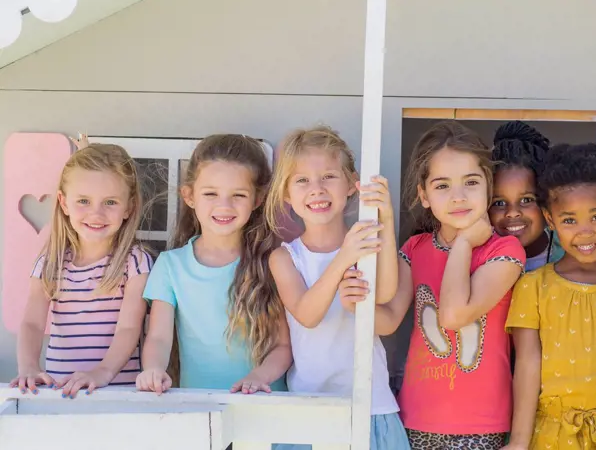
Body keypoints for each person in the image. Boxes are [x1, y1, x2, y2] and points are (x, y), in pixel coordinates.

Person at [340, 121, 525, 449]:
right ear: (424, 195)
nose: (458, 196)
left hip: (481, 424)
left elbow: (454, 315)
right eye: (442, 186)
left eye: (471, 182)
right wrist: (357, 303)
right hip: (416, 418)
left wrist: (465, 243)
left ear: (488, 186)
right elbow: (388, 320)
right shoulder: (415, 249)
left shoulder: (505, 251)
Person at [267, 125, 409, 450]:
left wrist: (384, 216)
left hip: (370, 405)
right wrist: (344, 258)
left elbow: (386, 293)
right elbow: (307, 314)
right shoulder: (285, 257)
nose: (316, 189)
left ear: (351, 185)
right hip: (310, 407)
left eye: (329, 176)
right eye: (302, 180)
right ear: (287, 194)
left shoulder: (367, 241)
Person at [504, 143, 596, 450]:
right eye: (569, 220)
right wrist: (518, 442)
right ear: (550, 219)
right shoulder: (532, 287)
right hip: (549, 437)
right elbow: (527, 366)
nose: (585, 232)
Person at [136, 134, 291, 395]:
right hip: (199, 408)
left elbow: (282, 347)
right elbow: (159, 337)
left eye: (238, 195)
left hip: (263, 408)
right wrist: (153, 369)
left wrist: (258, 376)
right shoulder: (170, 266)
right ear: (189, 196)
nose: (224, 205)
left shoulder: (272, 262)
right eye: (211, 193)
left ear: (257, 199)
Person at [11, 139, 152, 398]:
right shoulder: (49, 263)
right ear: (64, 203)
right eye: (84, 201)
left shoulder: (135, 261)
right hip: (60, 395)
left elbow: (128, 328)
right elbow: (32, 322)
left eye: (110, 202)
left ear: (128, 207)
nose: (96, 214)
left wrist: (103, 372)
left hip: (115, 394)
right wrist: (29, 367)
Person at [489, 121, 564, 271]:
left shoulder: (569, 254)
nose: (512, 213)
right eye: (499, 203)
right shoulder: (476, 258)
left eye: (526, 200)